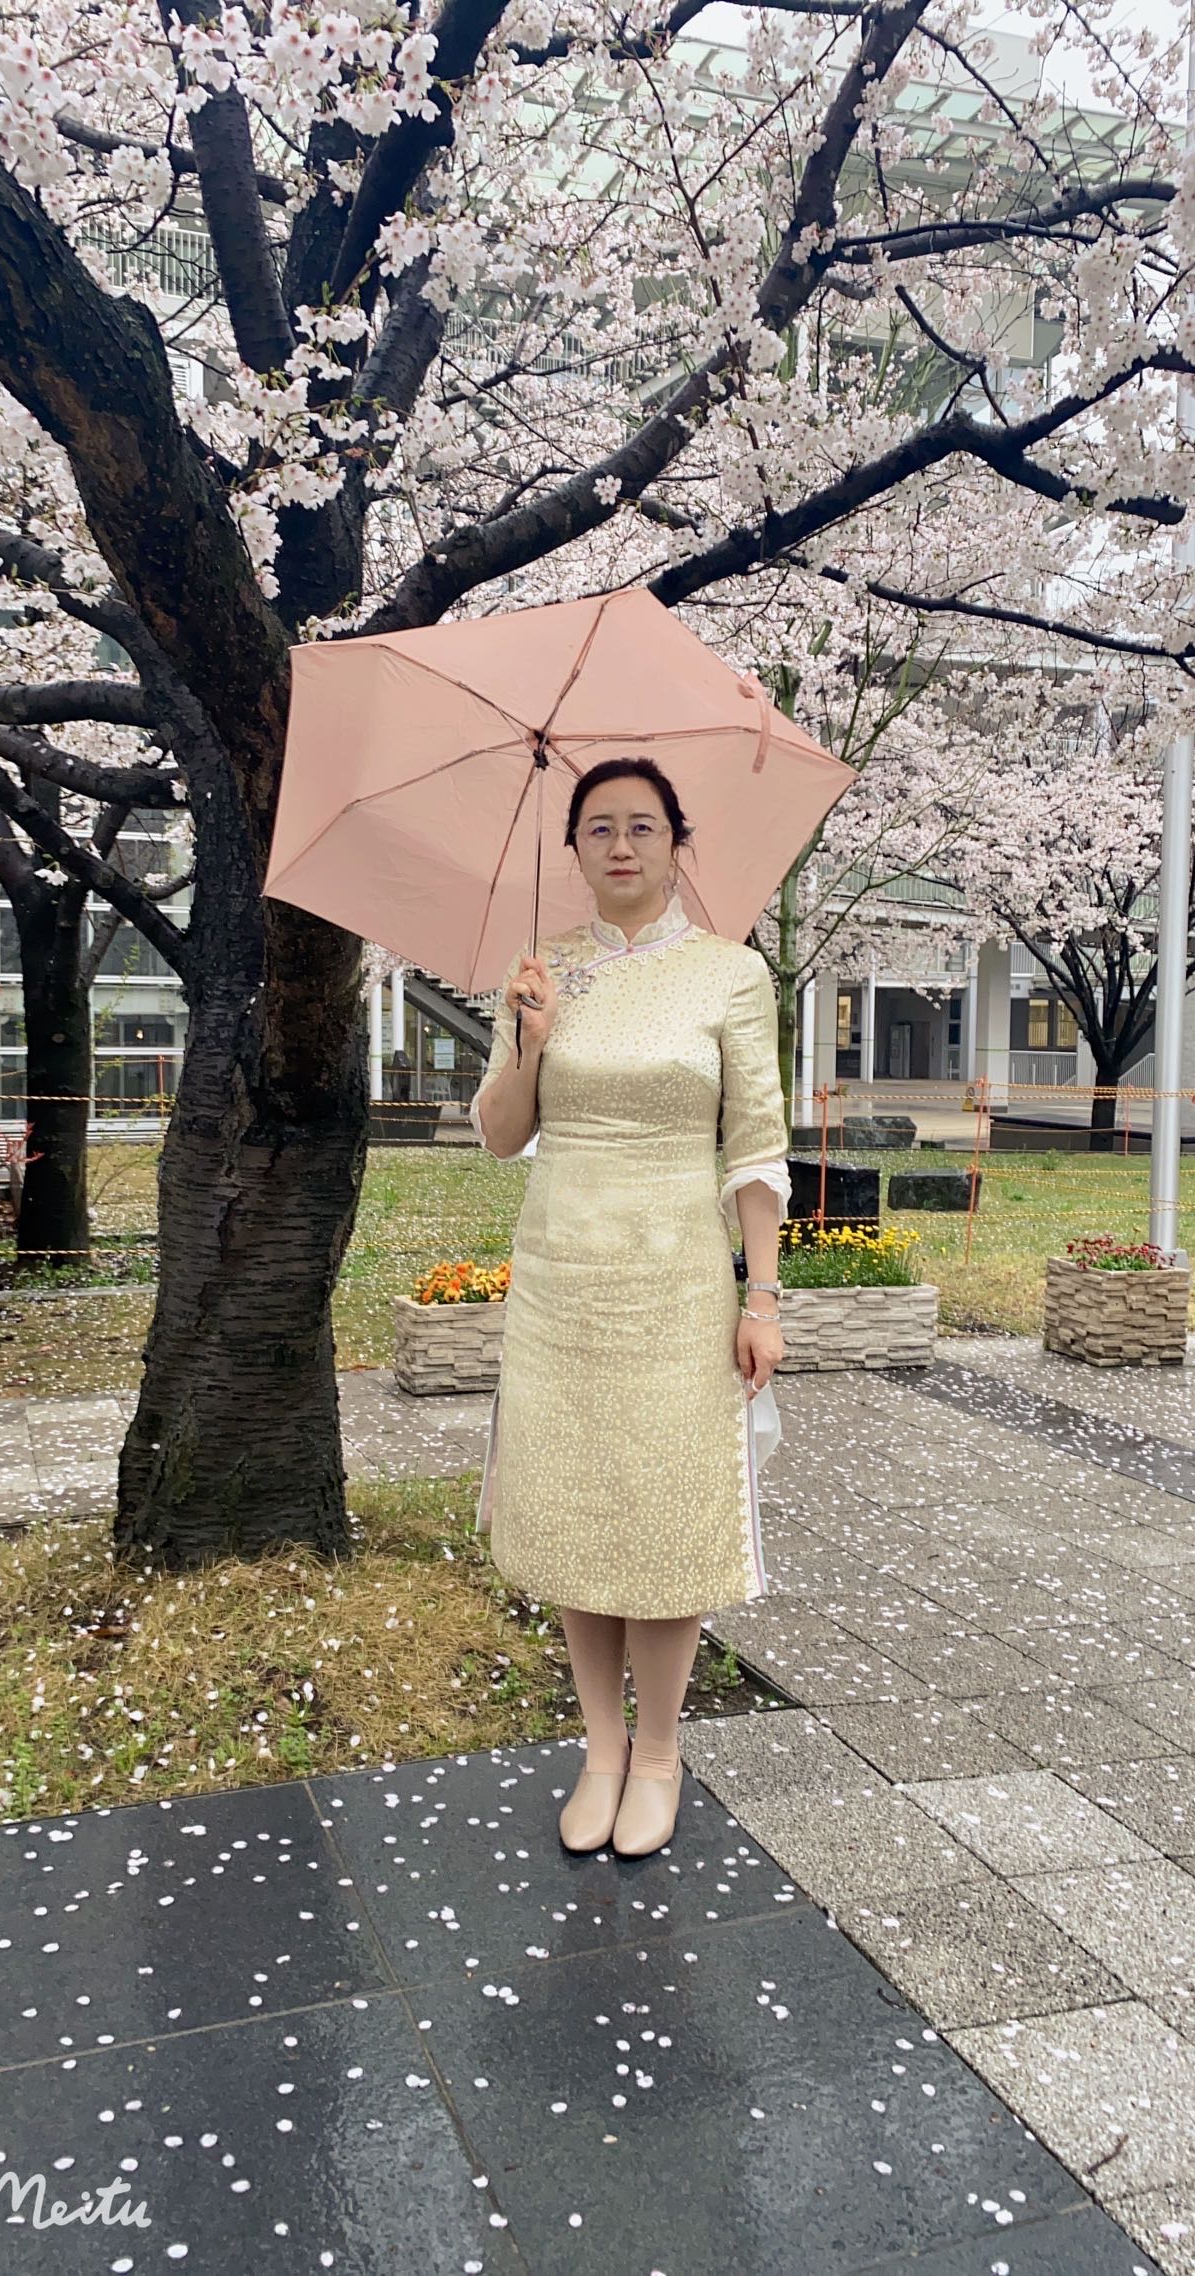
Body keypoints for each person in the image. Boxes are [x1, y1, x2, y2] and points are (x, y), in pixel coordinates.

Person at [469, 757, 789, 1857]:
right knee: (574, 1507)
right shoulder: (539, 972)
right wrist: (531, 1038)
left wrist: (762, 1295)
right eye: (598, 827)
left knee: (661, 1511)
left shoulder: (729, 974)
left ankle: (658, 1752)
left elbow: (754, 1143)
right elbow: (501, 1133)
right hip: (561, 1276)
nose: (620, 844)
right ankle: (599, 1748)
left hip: (676, 1280)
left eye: (642, 826)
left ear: (675, 843)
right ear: (572, 848)